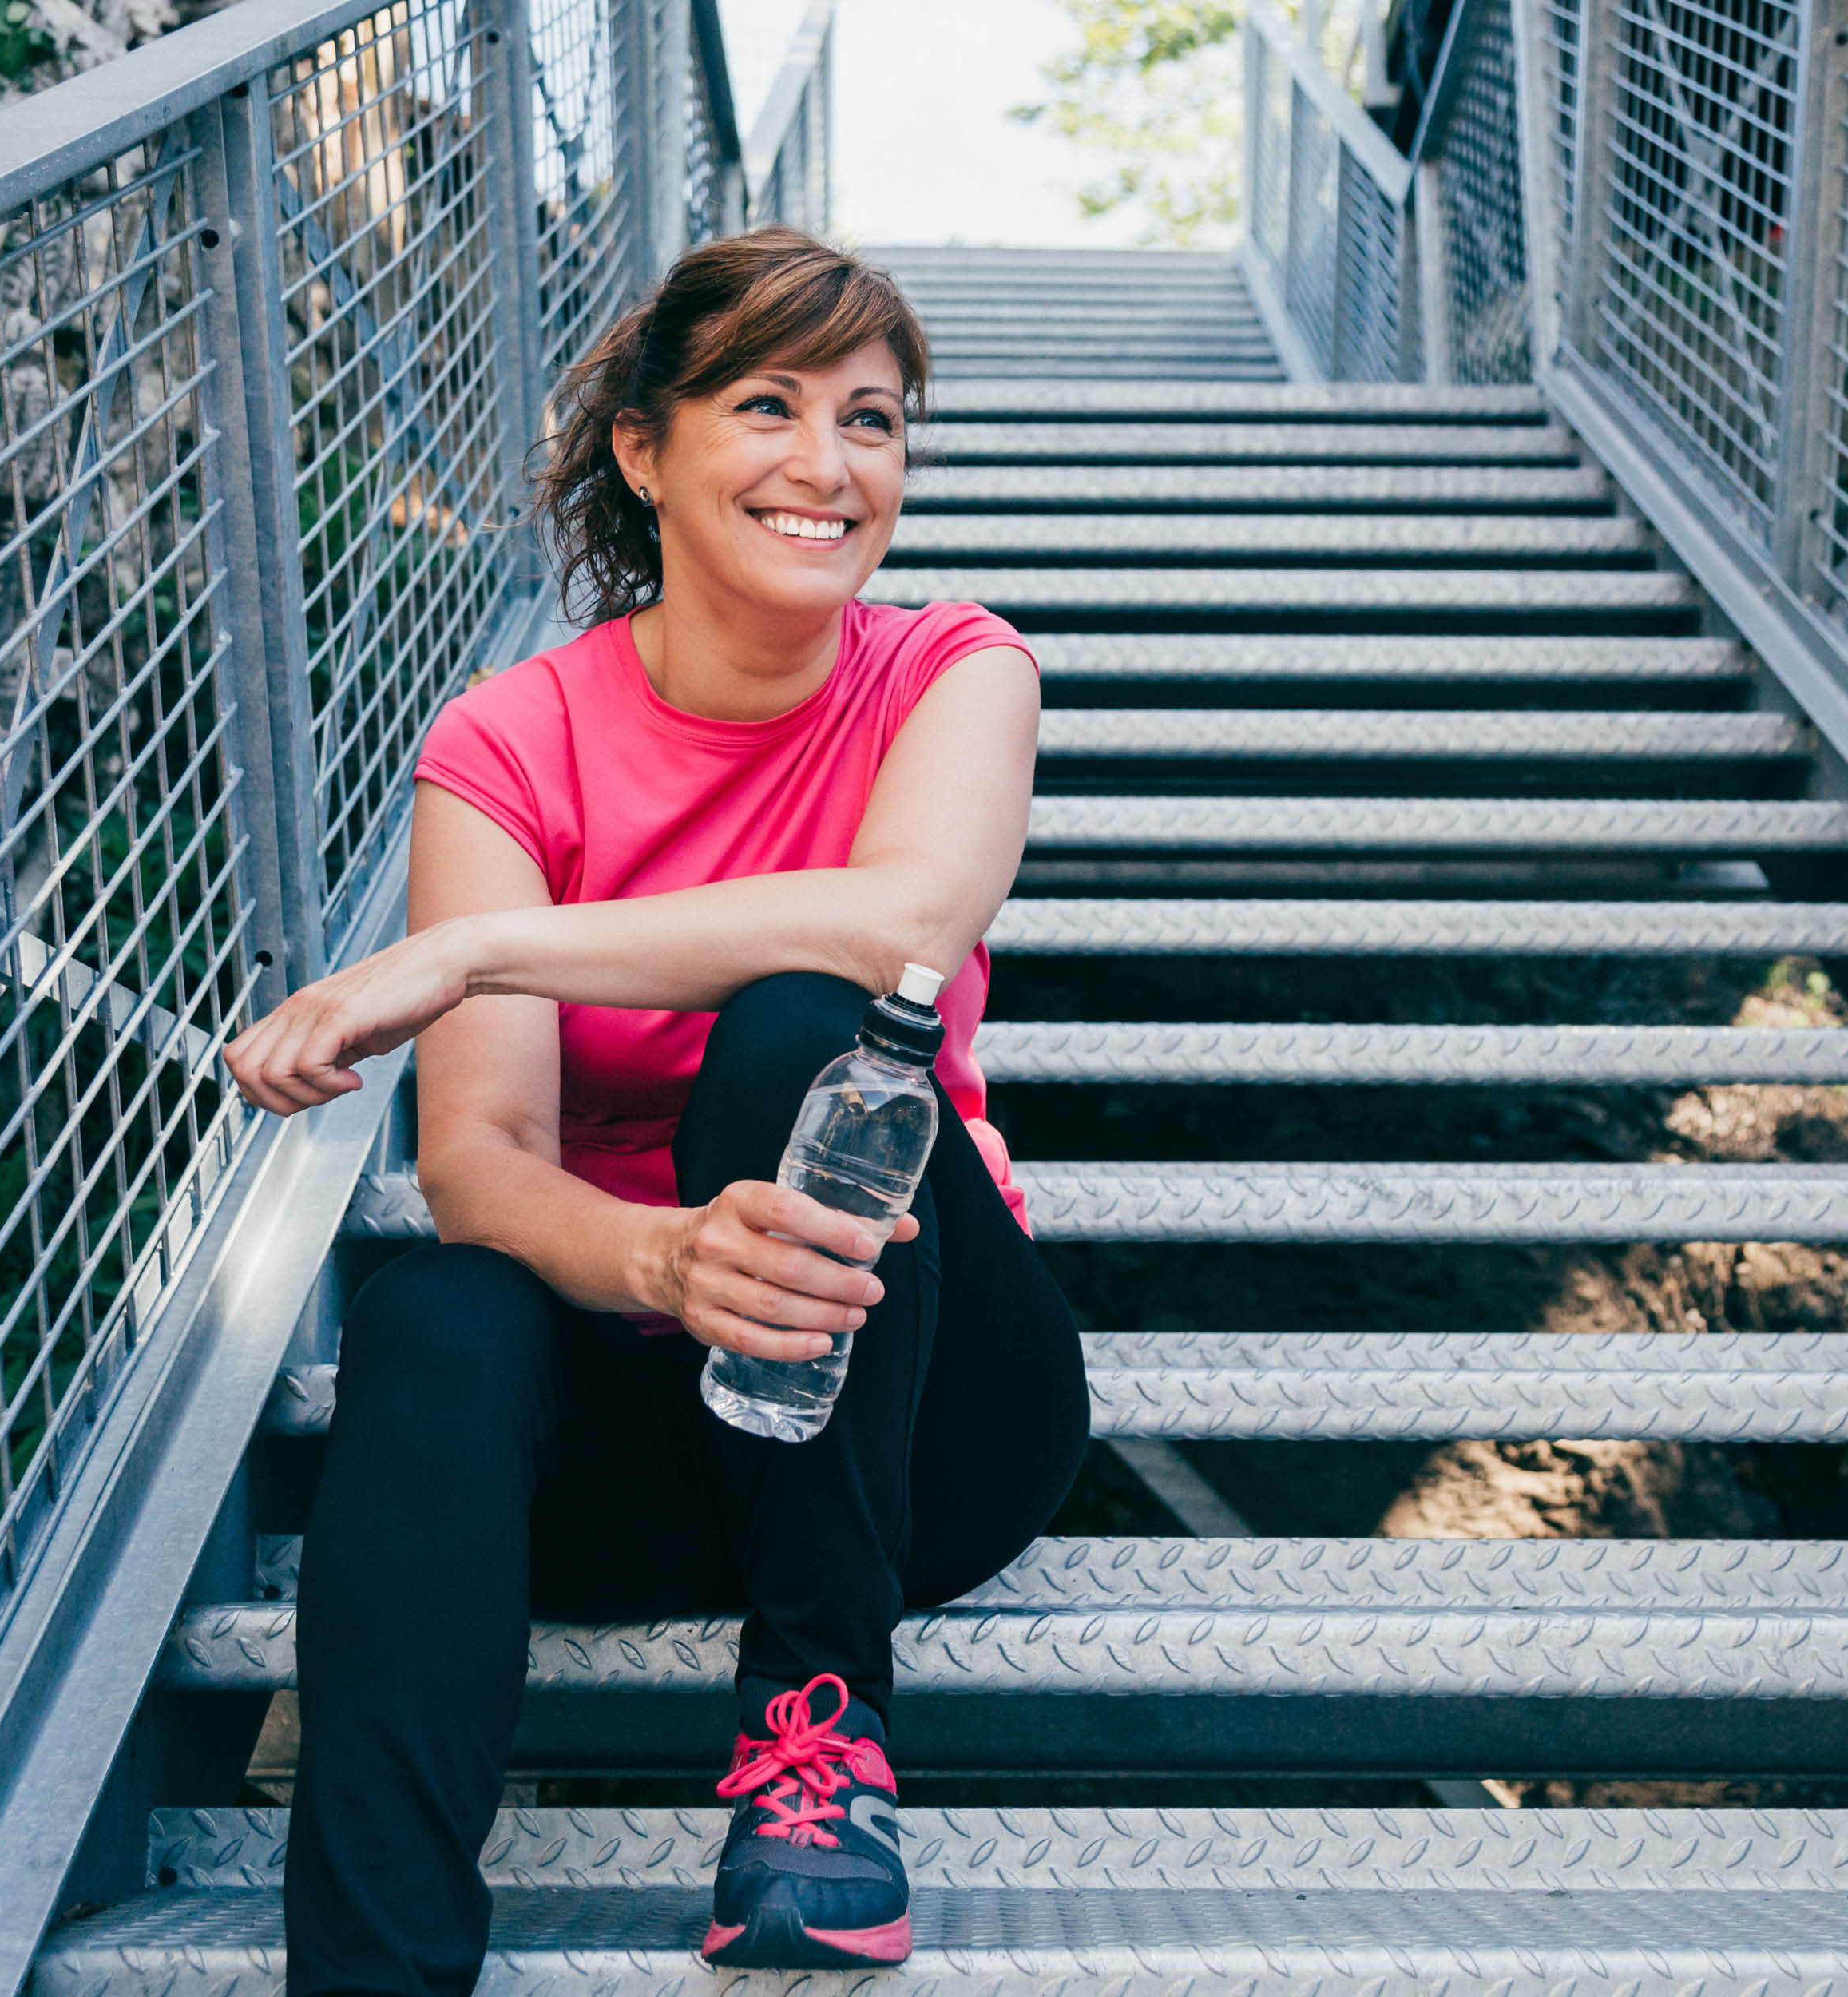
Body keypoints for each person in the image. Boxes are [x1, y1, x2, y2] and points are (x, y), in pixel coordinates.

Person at [222, 226, 1090, 1994]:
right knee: (433, 1311)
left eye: (873, 421)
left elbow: (906, 923)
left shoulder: (953, 667)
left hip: (919, 1411)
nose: (828, 466)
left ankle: (814, 1750)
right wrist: (664, 1257)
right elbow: (473, 1164)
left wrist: (475, 944)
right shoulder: (510, 737)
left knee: (806, 1028)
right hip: (642, 1427)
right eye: (766, 406)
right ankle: (373, 1967)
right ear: (645, 446)